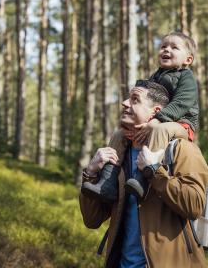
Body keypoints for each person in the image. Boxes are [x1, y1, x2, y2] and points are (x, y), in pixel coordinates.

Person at [79, 81, 208, 267]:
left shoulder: (182, 150)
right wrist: (91, 173)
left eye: (134, 100)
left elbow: (194, 205)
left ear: (155, 111)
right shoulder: (118, 154)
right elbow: (92, 220)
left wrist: (155, 171)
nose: (124, 103)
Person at [81, 31, 199, 201]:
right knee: (120, 134)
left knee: (161, 129)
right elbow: (147, 104)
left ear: (188, 59)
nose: (166, 50)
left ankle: (142, 180)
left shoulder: (186, 77)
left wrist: (158, 119)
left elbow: (183, 102)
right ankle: (108, 182)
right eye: (163, 46)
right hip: (158, 120)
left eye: (174, 47)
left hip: (181, 123)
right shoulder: (155, 77)